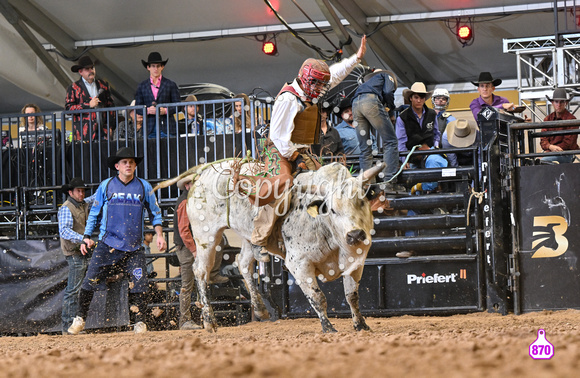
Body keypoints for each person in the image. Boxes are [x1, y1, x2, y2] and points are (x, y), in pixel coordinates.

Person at [237, 36, 367, 261]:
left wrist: (355, 59)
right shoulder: (289, 99)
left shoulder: (310, 90)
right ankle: (258, 239)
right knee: (283, 185)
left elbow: (334, 75)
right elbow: (278, 138)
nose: (319, 88)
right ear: (306, 79)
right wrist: (295, 157)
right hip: (278, 149)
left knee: (327, 181)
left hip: (300, 150)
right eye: (316, 83)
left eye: (321, 84)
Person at [67, 147, 167, 335]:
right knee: (89, 281)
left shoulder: (144, 186)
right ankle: (79, 318)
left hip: (134, 247)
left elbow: (155, 213)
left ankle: (140, 321)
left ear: (135, 165)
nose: (128, 165)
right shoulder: (106, 186)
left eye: (131, 162)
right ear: (117, 166)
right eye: (124, 162)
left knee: (140, 283)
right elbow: (94, 213)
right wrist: (86, 237)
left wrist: (159, 234)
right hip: (107, 244)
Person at [173, 176, 228, 330]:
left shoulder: (194, 201)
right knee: (188, 284)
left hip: (192, 244)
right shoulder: (185, 202)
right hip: (186, 247)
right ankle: (185, 320)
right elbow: (184, 231)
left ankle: (197, 317)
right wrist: (195, 250)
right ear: (188, 185)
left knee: (220, 242)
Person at [352, 68, 401, 189]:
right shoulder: (386, 76)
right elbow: (389, 92)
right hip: (370, 101)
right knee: (391, 141)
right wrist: (391, 110)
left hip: (355, 104)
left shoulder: (366, 84)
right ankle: (388, 182)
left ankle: (366, 185)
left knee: (365, 148)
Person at [58, 177, 95, 335]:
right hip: (74, 252)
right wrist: (83, 239)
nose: (81, 193)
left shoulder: (82, 203)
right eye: (78, 191)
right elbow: (64, 231)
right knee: (73, 290)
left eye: (83, 190)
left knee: (76, 289)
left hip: (81, 250)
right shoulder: (66, 208)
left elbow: (93, 198)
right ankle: (68, 325)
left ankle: (71, 324)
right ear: (70, 192)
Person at [396, 82, 448, 193]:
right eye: (416, 97)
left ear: (425, 99)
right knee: (416, 188)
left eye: (421, 97)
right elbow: (401, 141)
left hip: (430, 153)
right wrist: (404, 160)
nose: (419, 100)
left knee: (432, 178)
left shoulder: (431, 114)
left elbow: (436, 133)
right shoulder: (403, 117)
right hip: (413, 157)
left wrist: (435, 148)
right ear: (411, 98)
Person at [65, 56, 115, 141]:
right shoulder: (73, 87)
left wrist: (110, 126)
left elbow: (111, 107)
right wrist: (88, 105)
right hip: (84, 133)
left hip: (103, 129)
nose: (91, 71)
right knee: (86, 153)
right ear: (80, 72)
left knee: (106, 152)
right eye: (87, 69)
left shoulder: (103, 85)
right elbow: (68, 109)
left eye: (92, 68)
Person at [134, 52, 181, 138]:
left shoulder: (170, 84)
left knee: (170, 151)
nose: (156, 68)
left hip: (168, 127)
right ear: (148, 67)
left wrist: (165, 111)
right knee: (150, 151)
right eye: (153, 66)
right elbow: (138, 108)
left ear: (162, 67)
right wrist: (148, 110)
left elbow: (178, 105)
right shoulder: (142, 86)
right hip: (149, 128)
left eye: (158, 66)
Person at [539, 88, 579, 164]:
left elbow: (568, 143)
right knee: (540, 161)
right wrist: (550, 147)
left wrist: (549, 148)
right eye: (556, 102)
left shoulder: (571, 120)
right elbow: (543, 139)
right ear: (553, 103)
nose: (559, 105)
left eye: (561, 102)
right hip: (551, 152)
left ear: (565, 103)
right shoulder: (548, 119)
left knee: (542, 161)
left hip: (566, 153)